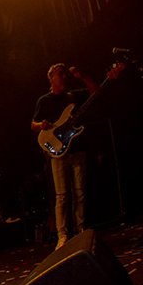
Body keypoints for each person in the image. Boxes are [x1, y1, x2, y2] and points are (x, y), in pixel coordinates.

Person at [32, 63, 99, 250]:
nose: (63, 78)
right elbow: (33, 125)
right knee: (62, 196)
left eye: (64, 75)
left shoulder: (72, 97)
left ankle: (81, 230)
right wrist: (41, 125)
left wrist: (82, 75)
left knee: (80, 193)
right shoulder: (44, 101)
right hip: (57, 153)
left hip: (77, 149)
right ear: (51, 78)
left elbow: (95, 91)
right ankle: (62, 236)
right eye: (60, 75)